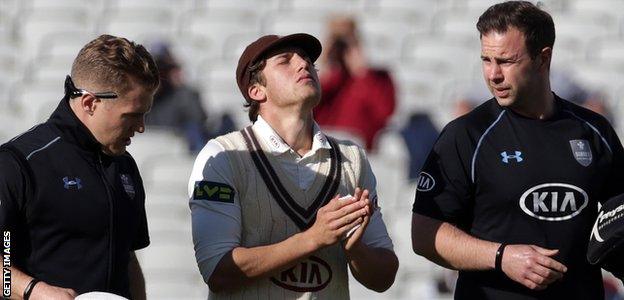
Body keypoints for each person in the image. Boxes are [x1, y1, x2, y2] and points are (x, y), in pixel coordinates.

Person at [410, 1, 624, 299]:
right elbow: (423, 234)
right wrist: (501, 256)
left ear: (543, 58)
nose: (493, 74)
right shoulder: (466, 135)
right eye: (486, 60)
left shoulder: (594, 131)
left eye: (506, 61)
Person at [188, 33, 398, 299]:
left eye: (308, 60)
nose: (304, 64)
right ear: (256, 90)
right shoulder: (223, 155)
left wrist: (355, 249)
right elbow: (218, 270)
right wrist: (314, 238)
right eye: (285, 60)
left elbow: (384, 277)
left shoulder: (352, 158)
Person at [0, 34, 159, 299]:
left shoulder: (125, 167)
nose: (141, 127)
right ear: (89, 103)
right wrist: (33, 290)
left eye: (145, 114)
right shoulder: (18, 163)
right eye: (132, 115)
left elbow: (128, 258)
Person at [313, 16, 396, 151]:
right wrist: (325, 70)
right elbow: (307, 111)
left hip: (361, 151)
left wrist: (362, 72)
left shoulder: (379, 77)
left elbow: (386, 113)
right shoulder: (326, 80)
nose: (341, 49)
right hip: (323, 148)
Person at [146, 42, 212, 153]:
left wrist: (179, 84)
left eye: (163, 69)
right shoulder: (138, 99)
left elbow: (199, 121)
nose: (158, 75)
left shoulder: (184, 96)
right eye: (152, 70)